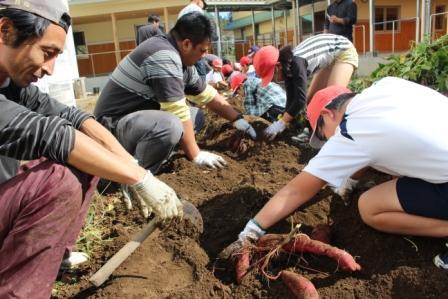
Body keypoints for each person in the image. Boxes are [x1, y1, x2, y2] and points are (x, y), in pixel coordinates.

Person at [0, 1, 184, 298]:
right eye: (47, 53)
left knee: (90, 157)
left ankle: (52, 257)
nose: (50, 69)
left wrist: (138, 171)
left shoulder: (12, 86)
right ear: (5, 31)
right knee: (58, 178)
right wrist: (138, 179)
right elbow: (52, 135)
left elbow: (78, 120)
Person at [222, 77, 448, 271]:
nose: (329, 140)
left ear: (327, 114)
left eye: (322, 133)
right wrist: (349, 182)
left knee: (369, 207)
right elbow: (372, 149)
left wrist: (251, 232)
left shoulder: (351, 133)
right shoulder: (385, 87)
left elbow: (295, 191)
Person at [94, 12, 256, 175]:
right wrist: (196, 155)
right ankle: (136, 175)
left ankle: (161, 151)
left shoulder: (179, 57)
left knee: (196, 116)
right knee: (170, 125)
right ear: (186, 44)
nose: (204, 55)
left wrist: (237, 119)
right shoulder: (163, 56)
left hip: (136, 122)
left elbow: (206, 93)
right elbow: (176, 111)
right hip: (112, 128)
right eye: (202, 50)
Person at [254, 33, 358, 141]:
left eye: (273, 76)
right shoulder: (287, 67)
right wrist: (285, 119)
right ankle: (310, 132)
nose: (275, 79)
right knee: (312, 101)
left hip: (343, 51)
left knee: (331, 101)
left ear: (278, 66)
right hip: (329, 59)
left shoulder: (296, 63)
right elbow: (291, 97)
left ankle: (335, 139)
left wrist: (282, 122)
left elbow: (300, 99)